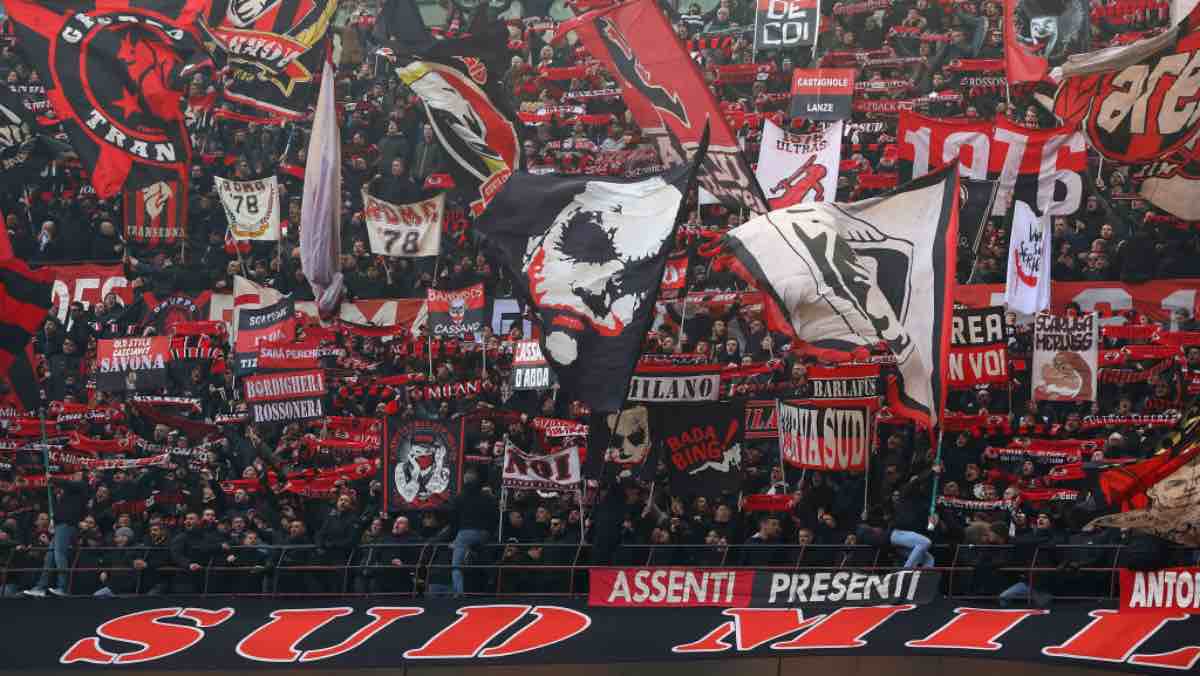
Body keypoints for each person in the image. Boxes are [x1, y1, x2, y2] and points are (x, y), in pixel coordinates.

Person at [448, 469, 497, 596]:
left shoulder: (459, 497)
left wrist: (454, 537)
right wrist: (489, 533)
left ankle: (459, 593)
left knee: (456, 566)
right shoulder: (487, 497)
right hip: (485, 534)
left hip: (466, 533)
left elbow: (453, 519)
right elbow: (494, 517)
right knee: (484, 560)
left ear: (464, 481)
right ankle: (493, 582)